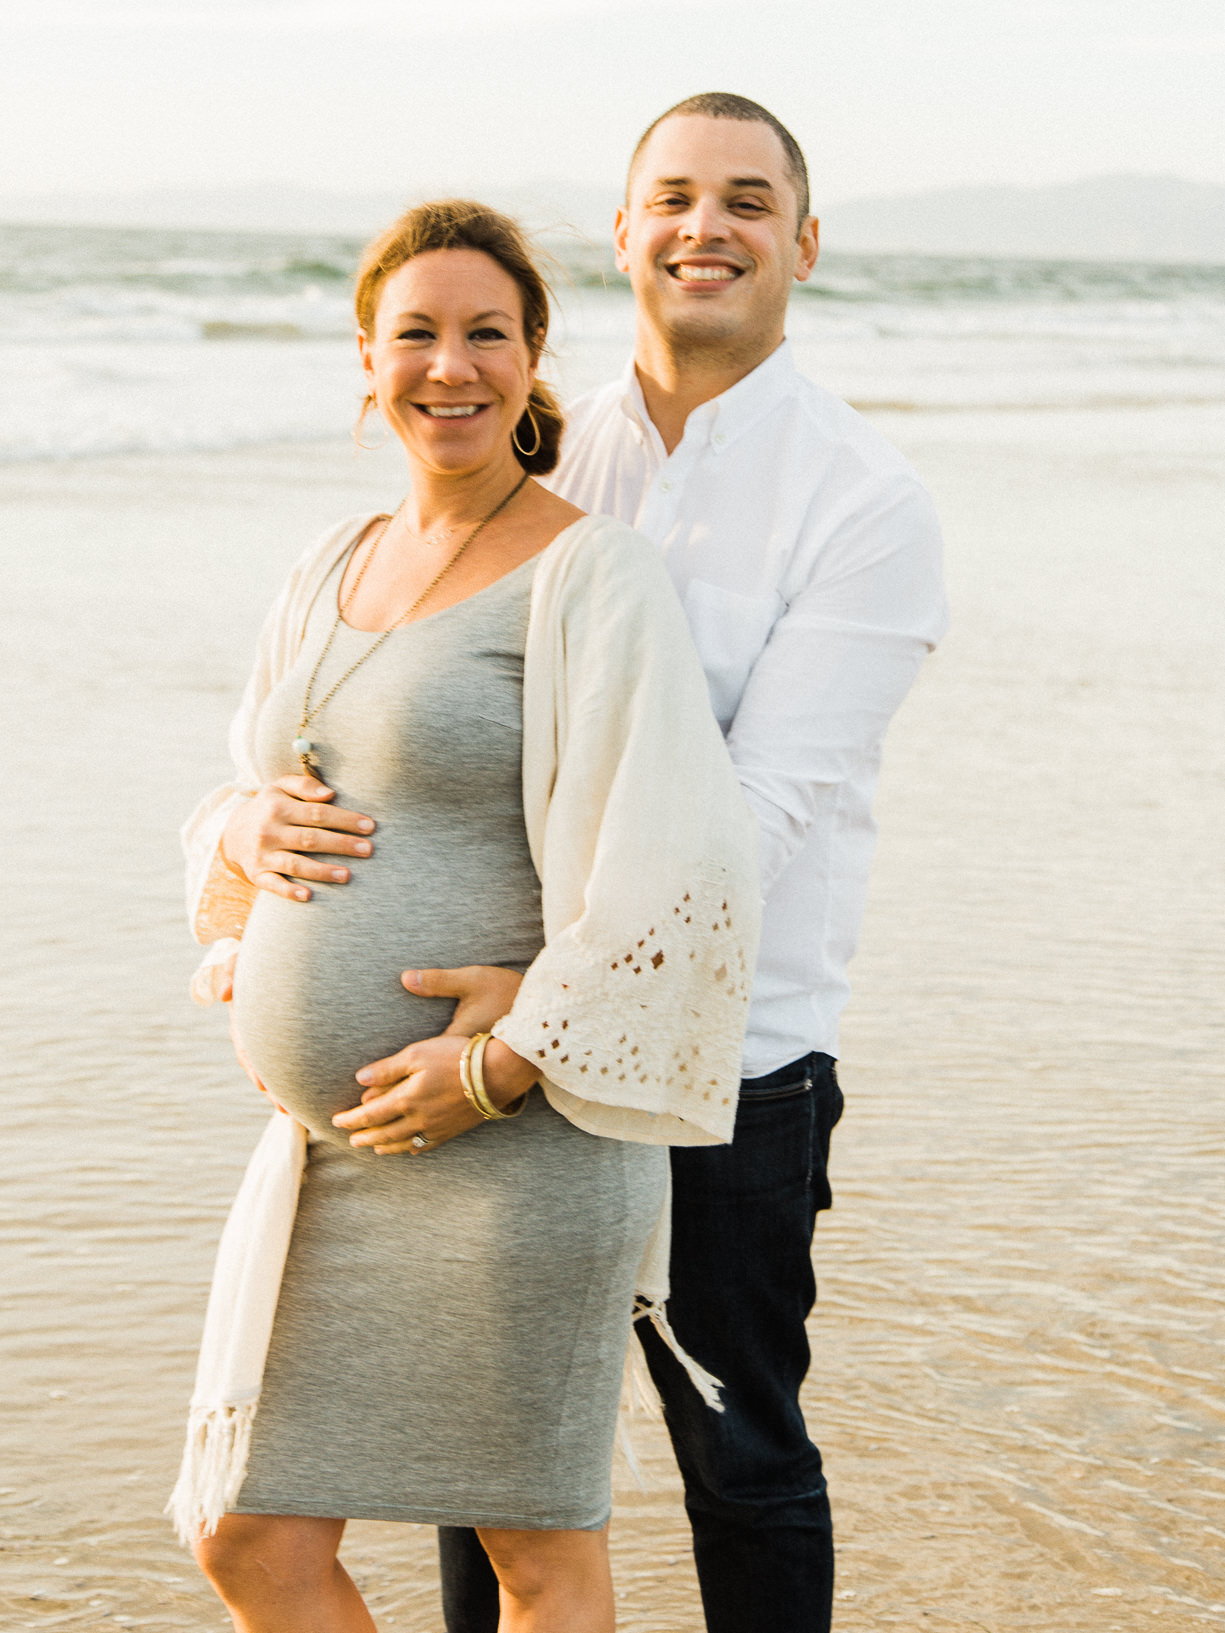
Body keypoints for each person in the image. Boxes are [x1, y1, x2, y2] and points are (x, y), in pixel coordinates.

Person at [170, 198, 760, 1633]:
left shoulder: (589, 572)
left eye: (485, 333)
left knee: (536, 1561)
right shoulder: (328, 558)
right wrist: (241, 851)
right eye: (415, 334)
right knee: (250, 1535)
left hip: (520, 1149)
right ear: (365, 361)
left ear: (533, 356)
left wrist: (504, 1060)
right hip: (336, 1153)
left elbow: (682, 862)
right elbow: (257, 777)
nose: (452, 366)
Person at [426, 96, 949, 1633]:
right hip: (494, 1035)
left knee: (737, 1447)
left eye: (742, 198)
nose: (700, 225)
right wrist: (250, 825)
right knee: (499, 1454)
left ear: (801, 239)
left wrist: (546, 1016)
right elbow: (412, 685)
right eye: (668, 195)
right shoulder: (535, 448)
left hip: (733, 1058)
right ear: (620, 232)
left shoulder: (862, 502)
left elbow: (756, 816)